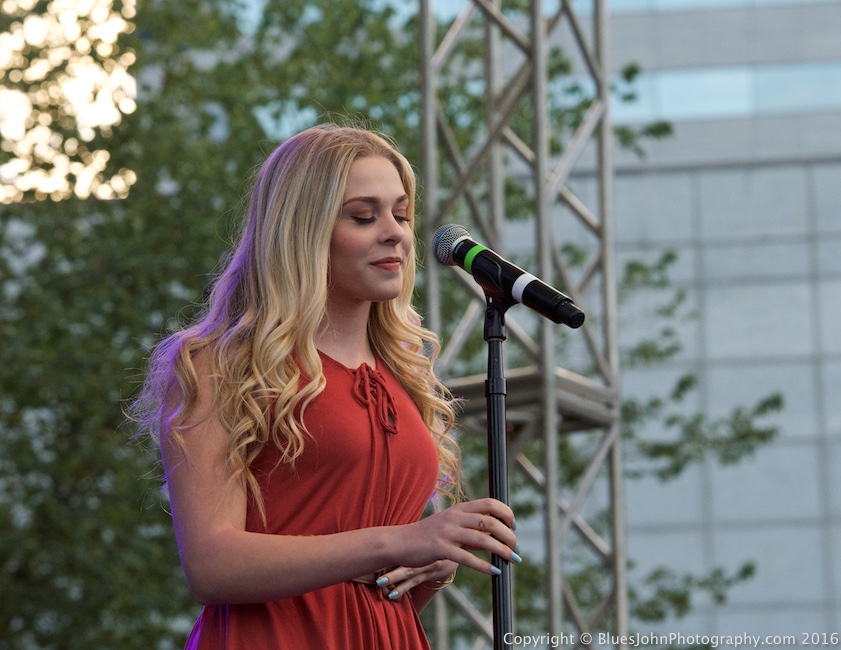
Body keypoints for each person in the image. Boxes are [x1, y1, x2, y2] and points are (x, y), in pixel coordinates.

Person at [132, 124, 520, 649]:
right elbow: (211, 565)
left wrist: (429, 564)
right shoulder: (220, 362)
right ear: (303, 230)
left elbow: (378, 594)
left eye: (401, 215)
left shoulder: (404, 373)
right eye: (364, 216)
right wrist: (400, 541)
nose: (396, 233)